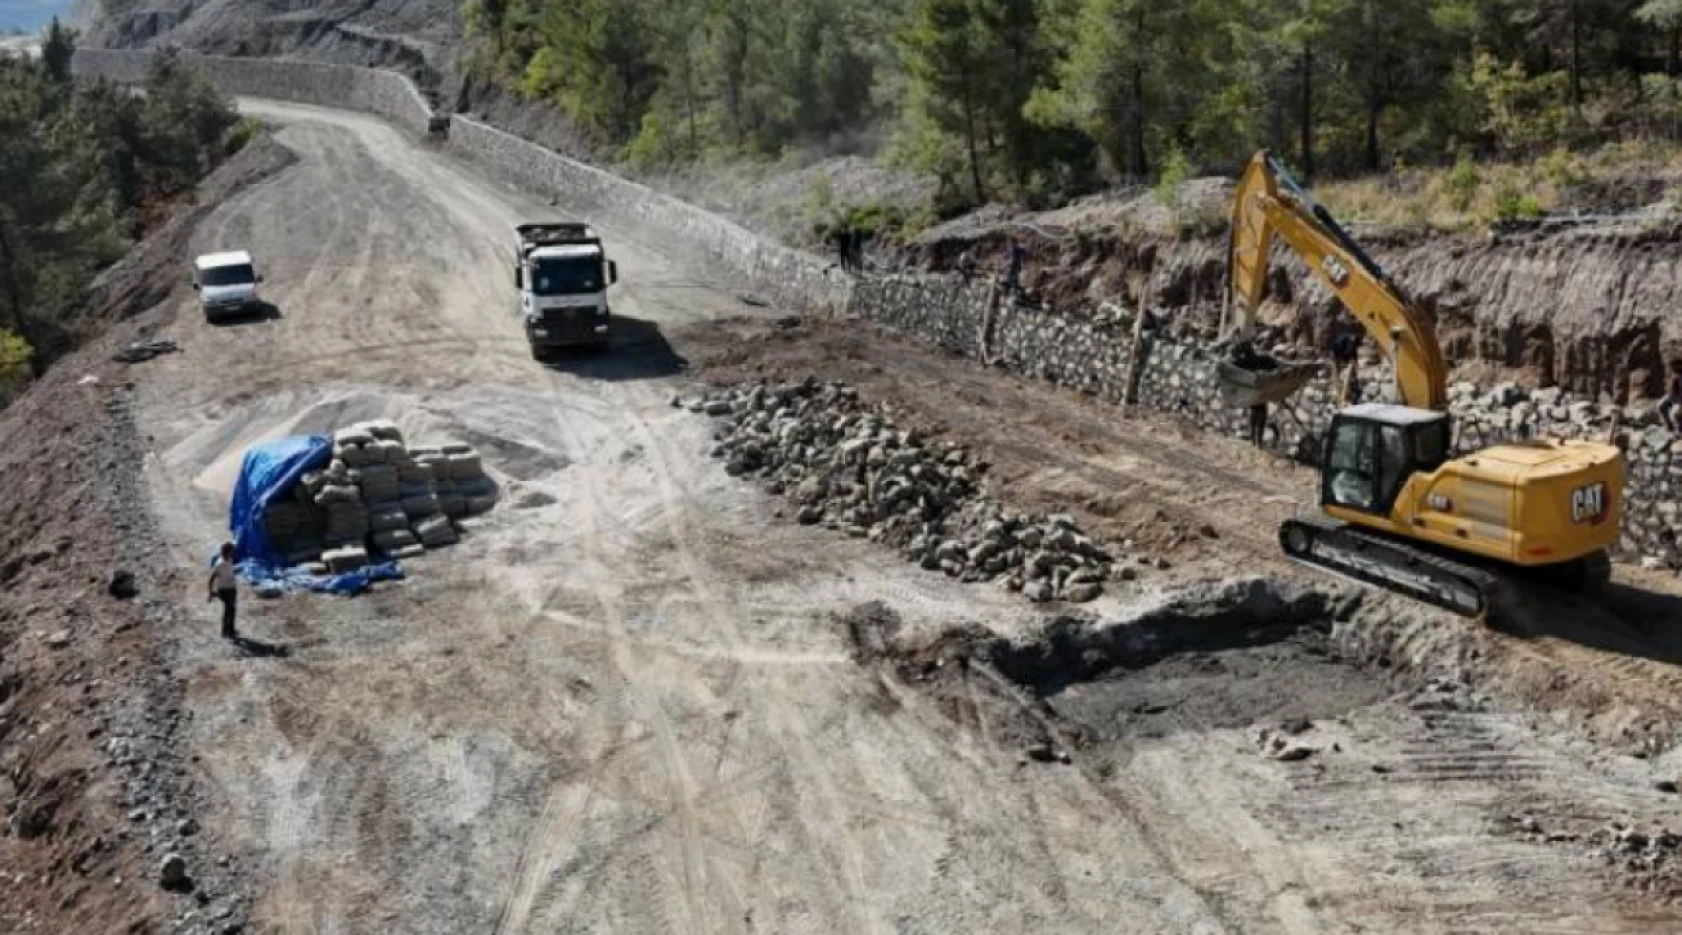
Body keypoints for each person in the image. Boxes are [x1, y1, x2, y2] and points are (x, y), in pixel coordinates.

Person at [209, 541, 239, 640]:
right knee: (229, 610)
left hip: (231, 588)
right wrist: (211, 592)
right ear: (227, 552)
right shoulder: (220, 564)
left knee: (231, 610)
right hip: (224, 590)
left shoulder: (230, 560)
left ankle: (229, 630)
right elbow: (211, 578)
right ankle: (226, 631)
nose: (233, 552)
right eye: (231, 551)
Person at [1331, 327, 1361, 406]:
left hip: (1338, 355)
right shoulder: (1348, 340)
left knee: (1342, 378)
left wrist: (1355, 361)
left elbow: (1353, 351)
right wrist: (1349, 360)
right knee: (1339, 377)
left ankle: (1341, 396)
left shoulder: (1350, 339)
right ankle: (1341, 396)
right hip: (1337, 354)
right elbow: (1350, 351)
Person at [1664, 359, 1682, 432]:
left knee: (1674, 414)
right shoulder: (1674, 374)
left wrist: (1679, 403)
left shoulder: (1680, 376)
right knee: (1660, 405)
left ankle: (1679, 431)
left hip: (1679, 399)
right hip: (1672, 396)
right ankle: (1669, 426)